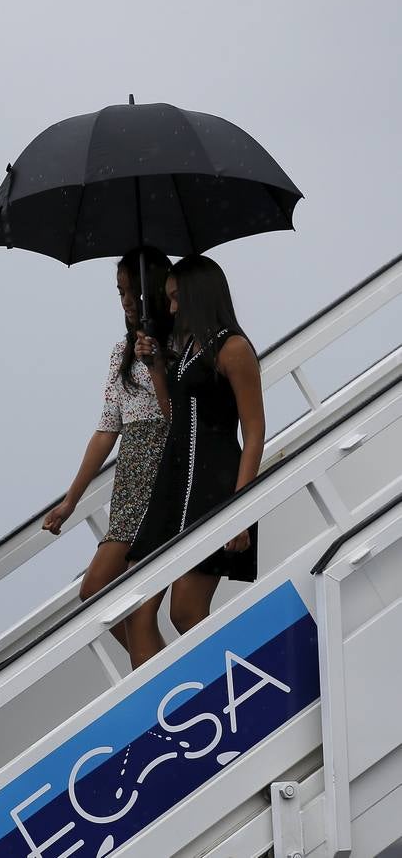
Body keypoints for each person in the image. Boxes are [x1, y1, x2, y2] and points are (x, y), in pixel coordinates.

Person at [126, 254, 265, 665]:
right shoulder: (188, 348)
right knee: (137, 605)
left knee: (185, 612)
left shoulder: (233, 348)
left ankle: (234, 689)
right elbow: (177, 419)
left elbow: (254, 431)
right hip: (173, 483)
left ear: (196, 295)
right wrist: (155, 369)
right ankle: (162, 708)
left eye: (174, 298)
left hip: (214, 484)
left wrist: (240, 511)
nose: (170, 308)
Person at [43, 247, 173, 667]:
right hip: (130, 479)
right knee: (100, 593)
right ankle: (164, 671)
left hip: (163, 468)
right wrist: (70, 501)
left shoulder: (177, 343)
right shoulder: (122, 352)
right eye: (120, 292)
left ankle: (159, 680)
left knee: (122, 596)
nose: (127, 301)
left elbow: (178, 414)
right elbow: (106, 430)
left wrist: (156, 361)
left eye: (133, 291)